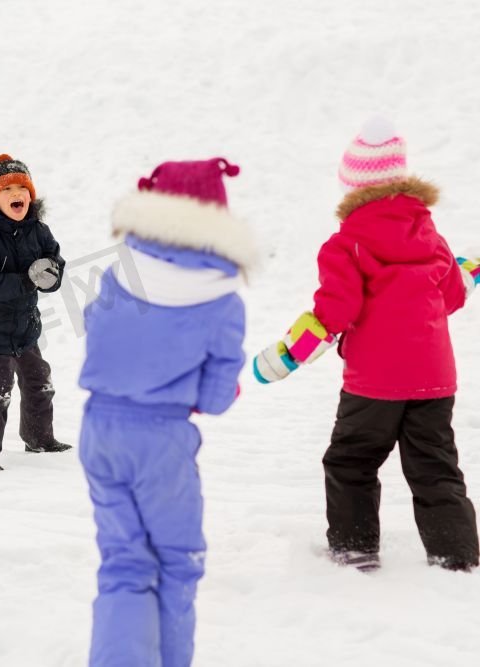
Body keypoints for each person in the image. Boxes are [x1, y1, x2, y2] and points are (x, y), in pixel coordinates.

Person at [253, 117, 480, 573]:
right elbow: (452, 293)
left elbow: (335, 312)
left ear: (352, 188)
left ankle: (355, 548)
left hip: (374, 384)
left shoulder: (346, 244)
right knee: (436, 468)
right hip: (435, 383)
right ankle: (457, 556)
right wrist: (466, 271)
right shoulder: (430, 237)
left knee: (351, 461)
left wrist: (290, 352)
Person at [79, 158, 257, 666]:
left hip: (99, 429)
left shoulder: (119, 275)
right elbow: (218, 397)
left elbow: (99, 332)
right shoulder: (222, 299)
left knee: (124, 561)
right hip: (161, 441)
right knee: (178, 564)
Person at [0, 154, 71, 473]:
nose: (17, 193)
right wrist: (28, 279)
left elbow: (54, 262)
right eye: (7, 189)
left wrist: (51, 273)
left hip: (24, 326)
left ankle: (39, 437)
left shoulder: (39, 231)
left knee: (39, 378)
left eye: (23, 187)